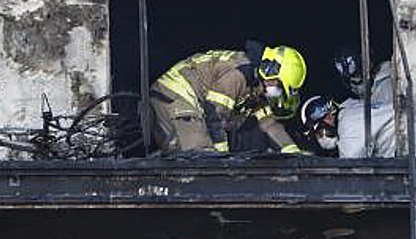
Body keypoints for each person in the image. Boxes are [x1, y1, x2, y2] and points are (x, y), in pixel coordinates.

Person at [150, 43, 307, 154]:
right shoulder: (239, 73)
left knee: (205, 157)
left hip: (194, 101)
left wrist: (292, 152)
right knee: (201, 157)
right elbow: (214, 112)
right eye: (279, 85)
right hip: (176, 92)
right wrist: (222, 156)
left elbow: (269, 124)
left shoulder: (258, 87)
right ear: (270, 70)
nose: (277, 92)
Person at [301, 56, 396, 157]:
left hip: (404, 142)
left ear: (328, 118)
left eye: (319, 133)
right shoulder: (350, 108)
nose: (320, 138)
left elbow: (351, 164)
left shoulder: (348, 130)